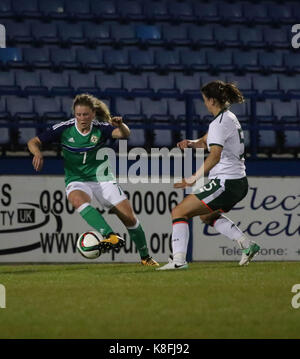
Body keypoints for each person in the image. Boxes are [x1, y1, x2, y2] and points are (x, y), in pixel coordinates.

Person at [27, 93, 159, 267]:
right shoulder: (64, 129)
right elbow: (33, 141)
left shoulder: (101, 128)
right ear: (75, 114)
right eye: (78, 115)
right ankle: (109, 235)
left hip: (102, 178)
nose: (82, 118)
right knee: (76, 199)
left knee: (129, 218)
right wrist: (37, 152)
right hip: (77, 178)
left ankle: (145, 257)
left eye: (86, 115)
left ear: (93, 114)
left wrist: (121, 125)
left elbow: (123, 134)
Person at [157, 80, 260, 270]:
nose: (204, 103)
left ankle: (179, 261)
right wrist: (191, 143)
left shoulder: (218, 123)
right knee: (206, 217)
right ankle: (247, 245)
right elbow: (207, 141)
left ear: (212, 100)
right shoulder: (228, 118)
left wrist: (193, 178)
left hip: (225, 182)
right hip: (238, 182)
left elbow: (214, 155)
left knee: (179, 212)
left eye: (205, 100)